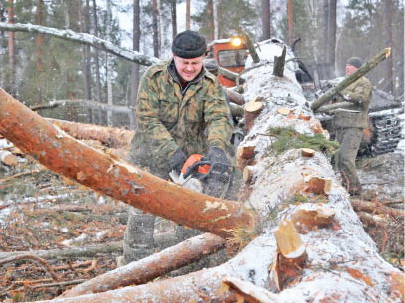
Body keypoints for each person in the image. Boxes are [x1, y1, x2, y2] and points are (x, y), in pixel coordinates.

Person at [122, 30, 234, 264]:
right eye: (185, 63)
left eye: (195, 63)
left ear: (203, 58)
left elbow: (218, 118)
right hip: (150, 155)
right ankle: (134, 267)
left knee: (189, 212)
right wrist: (170, 152)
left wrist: (217, 147)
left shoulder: (211, 85)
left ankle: (187, 265)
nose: (190, 68)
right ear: (174, 56)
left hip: (190, 159)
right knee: (142, 211)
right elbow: (147, 119)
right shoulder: (154, 78)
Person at [333, 57, 372, 195]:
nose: (347, 67)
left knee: (346, 158)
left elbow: (360, 98)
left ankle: (355, 189)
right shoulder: (344, 82)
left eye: (350, 66)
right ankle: (344, 186)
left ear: (358, 68)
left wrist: (342, 93)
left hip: (354, 126)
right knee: (336, 159)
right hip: (340, 125)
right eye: (346, 65)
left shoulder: (363, 82)